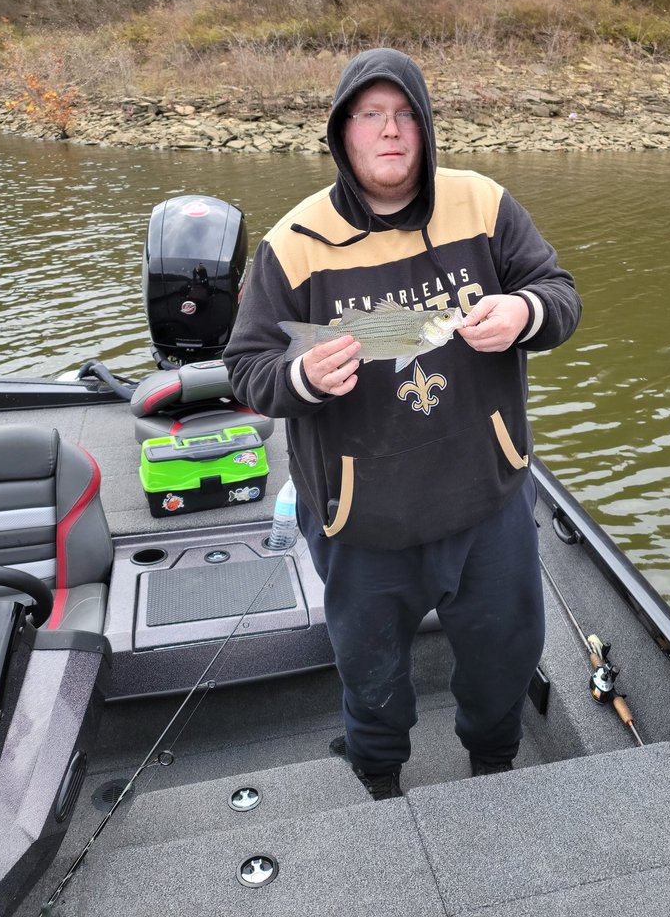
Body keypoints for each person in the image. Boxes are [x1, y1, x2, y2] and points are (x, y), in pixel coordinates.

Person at [224, 48, 582, 800]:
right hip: (364, 520)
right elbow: (248, 365)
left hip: (488, 502)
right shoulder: (294, 245)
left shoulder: (481, 204)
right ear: (342, 133)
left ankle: (495, 765)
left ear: (424, 128)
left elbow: (560, 293)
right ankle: (379, 778)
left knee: (505, 658)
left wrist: (524, 312)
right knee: (372, 677)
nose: (390, 131)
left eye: (404, 116)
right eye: (370, 116)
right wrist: (300, 377)